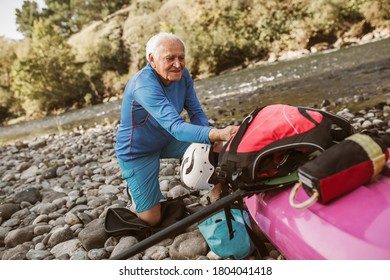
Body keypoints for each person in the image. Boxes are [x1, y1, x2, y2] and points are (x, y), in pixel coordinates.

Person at [115, 32, 238, 226]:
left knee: (216, 147)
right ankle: (135, 195)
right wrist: (219, 132)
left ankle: (219, 199)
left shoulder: (183, 74)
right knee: (151, 219)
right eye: (170, 58)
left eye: (181, 57)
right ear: (152, 59)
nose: (178, 64)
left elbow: (195, 111)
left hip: (168, 138)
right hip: (138, 151)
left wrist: (211, 141)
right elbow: (176, 127)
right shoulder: (143, 85)